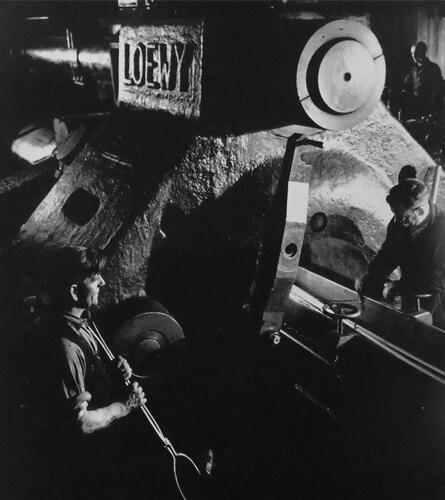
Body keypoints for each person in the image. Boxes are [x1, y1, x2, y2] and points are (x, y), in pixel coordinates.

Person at [42, 245, 147, 499]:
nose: (102, 281)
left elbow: (89, 368)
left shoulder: (82, 321)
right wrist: (123, 407)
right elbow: (81, 425)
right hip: (88, 470)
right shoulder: (66, 346)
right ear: (74, 290)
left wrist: (111, 367)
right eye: (93, 277)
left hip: (107, 451)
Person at [355, 177, 445, 329]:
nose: (397, 221)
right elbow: (389, 254)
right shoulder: (399, 223)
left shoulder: (441, 231)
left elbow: (437, 280)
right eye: (395, 214)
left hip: (438, 301)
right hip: (410, 295)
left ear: (420, 211)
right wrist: (371, 277)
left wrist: (397, 287)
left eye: (403, 217)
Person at [401, 41, 443, 120]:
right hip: (416, 107)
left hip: (429, 109)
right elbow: (406, 84)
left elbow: (438, 90)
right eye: (412, 53)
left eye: (415, 53)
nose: (413, 56)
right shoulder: (414, 70)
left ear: (422, 52)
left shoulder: (433, 68)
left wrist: (434, 111)